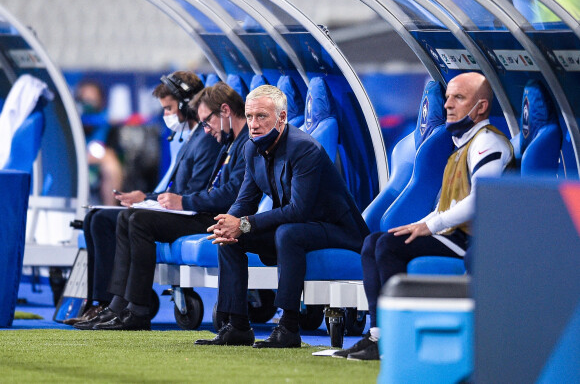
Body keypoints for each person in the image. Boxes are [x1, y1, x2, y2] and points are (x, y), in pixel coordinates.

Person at [335, 72, 514, 361]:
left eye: (459, 98)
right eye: (447, 98)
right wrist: (424, 223)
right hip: (453, 234)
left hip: (473, 241)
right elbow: (449, 202)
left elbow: (481, 200)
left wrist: (430, 225)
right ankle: (377, 335)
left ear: (481, 107)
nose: (448, 105)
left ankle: (395, 339)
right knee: (373, 243)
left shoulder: (489, 143)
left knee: (388, 246)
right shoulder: (460, 144)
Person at [195, 85, 369, 347]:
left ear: (282, 117)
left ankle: (288, 328)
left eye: (261, 116)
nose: (253, 124)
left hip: (338, 230)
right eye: (250, 116)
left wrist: (243, 224)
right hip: (301, 227)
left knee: (288, 232)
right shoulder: (251, 149)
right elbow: (245, 200)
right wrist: (227, 224)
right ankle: (237, 325)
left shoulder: (305, 149)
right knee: (231, 238)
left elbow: (300, 210)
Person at [75, 82, 249, 331]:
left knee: (138, 221)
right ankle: (118, 306)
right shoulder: (228, 142)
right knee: (129, 217)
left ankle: (137, 311)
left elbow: (228, 194)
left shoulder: (238, 143)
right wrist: (155, 198)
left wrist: (183, 201)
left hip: (216, 217)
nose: (207, 129)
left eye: (207, 121)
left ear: (224, 110)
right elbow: (212, 190)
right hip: (205, 211)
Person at [76, 80, 123, 206]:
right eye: (84, 100)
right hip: (73, 164)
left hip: (96, 167)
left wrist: (93, 158)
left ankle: (108, 210)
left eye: (92, 100)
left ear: (101, 101)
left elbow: (112, 153)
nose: (88, 105)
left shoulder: (107, 123)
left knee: (111, 166)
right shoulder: (71, 121)